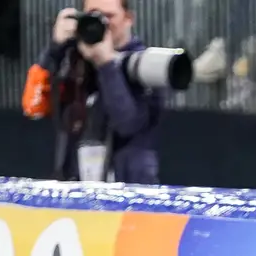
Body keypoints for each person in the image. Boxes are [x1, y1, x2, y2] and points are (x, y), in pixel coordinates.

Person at [21, 0, 162, 184]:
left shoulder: (146, 64)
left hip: (130, 189)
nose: (102, 23)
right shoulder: (74, 60)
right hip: (76, 183)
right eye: (93, 16)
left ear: (128, 18)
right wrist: (54, 50)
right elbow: (34, 107)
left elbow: (127, 124)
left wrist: (105, 64)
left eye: (109, 16)